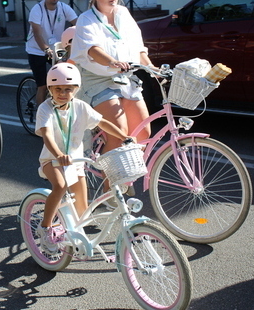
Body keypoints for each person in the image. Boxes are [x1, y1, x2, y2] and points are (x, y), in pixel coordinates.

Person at [35, 63, 133, 252]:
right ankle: (44, 228)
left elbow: (103, 122)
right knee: (60, 185)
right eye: (57, 89)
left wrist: (124, 137)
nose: (62, 93)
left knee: (82, 208)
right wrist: (59, 155)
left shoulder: (81, 107)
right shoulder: (45, 109)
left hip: (75, 161)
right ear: (50, 89)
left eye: (68, 89)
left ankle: (71, 232)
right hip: (52, 159)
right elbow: (46, 135)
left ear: (76, 89)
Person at [70, 0, 153, 202]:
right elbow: (92, 50)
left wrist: (153, 69)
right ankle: (110, 191)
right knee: (118, 132)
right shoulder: (86, 18)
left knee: (143, 131)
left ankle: (123, 175)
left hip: (125, 76)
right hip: (97, 77)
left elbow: (138, 48)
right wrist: (112, 62)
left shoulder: (124, 14)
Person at [26, 0, 77, 107]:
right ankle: (40, 116)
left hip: (56, 49)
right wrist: (46, 49)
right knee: (43, 85)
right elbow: (37, 33)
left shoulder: (64, 8)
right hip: (36, 50)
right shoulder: (37, 9)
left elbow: (79, 25)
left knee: (63, 78)